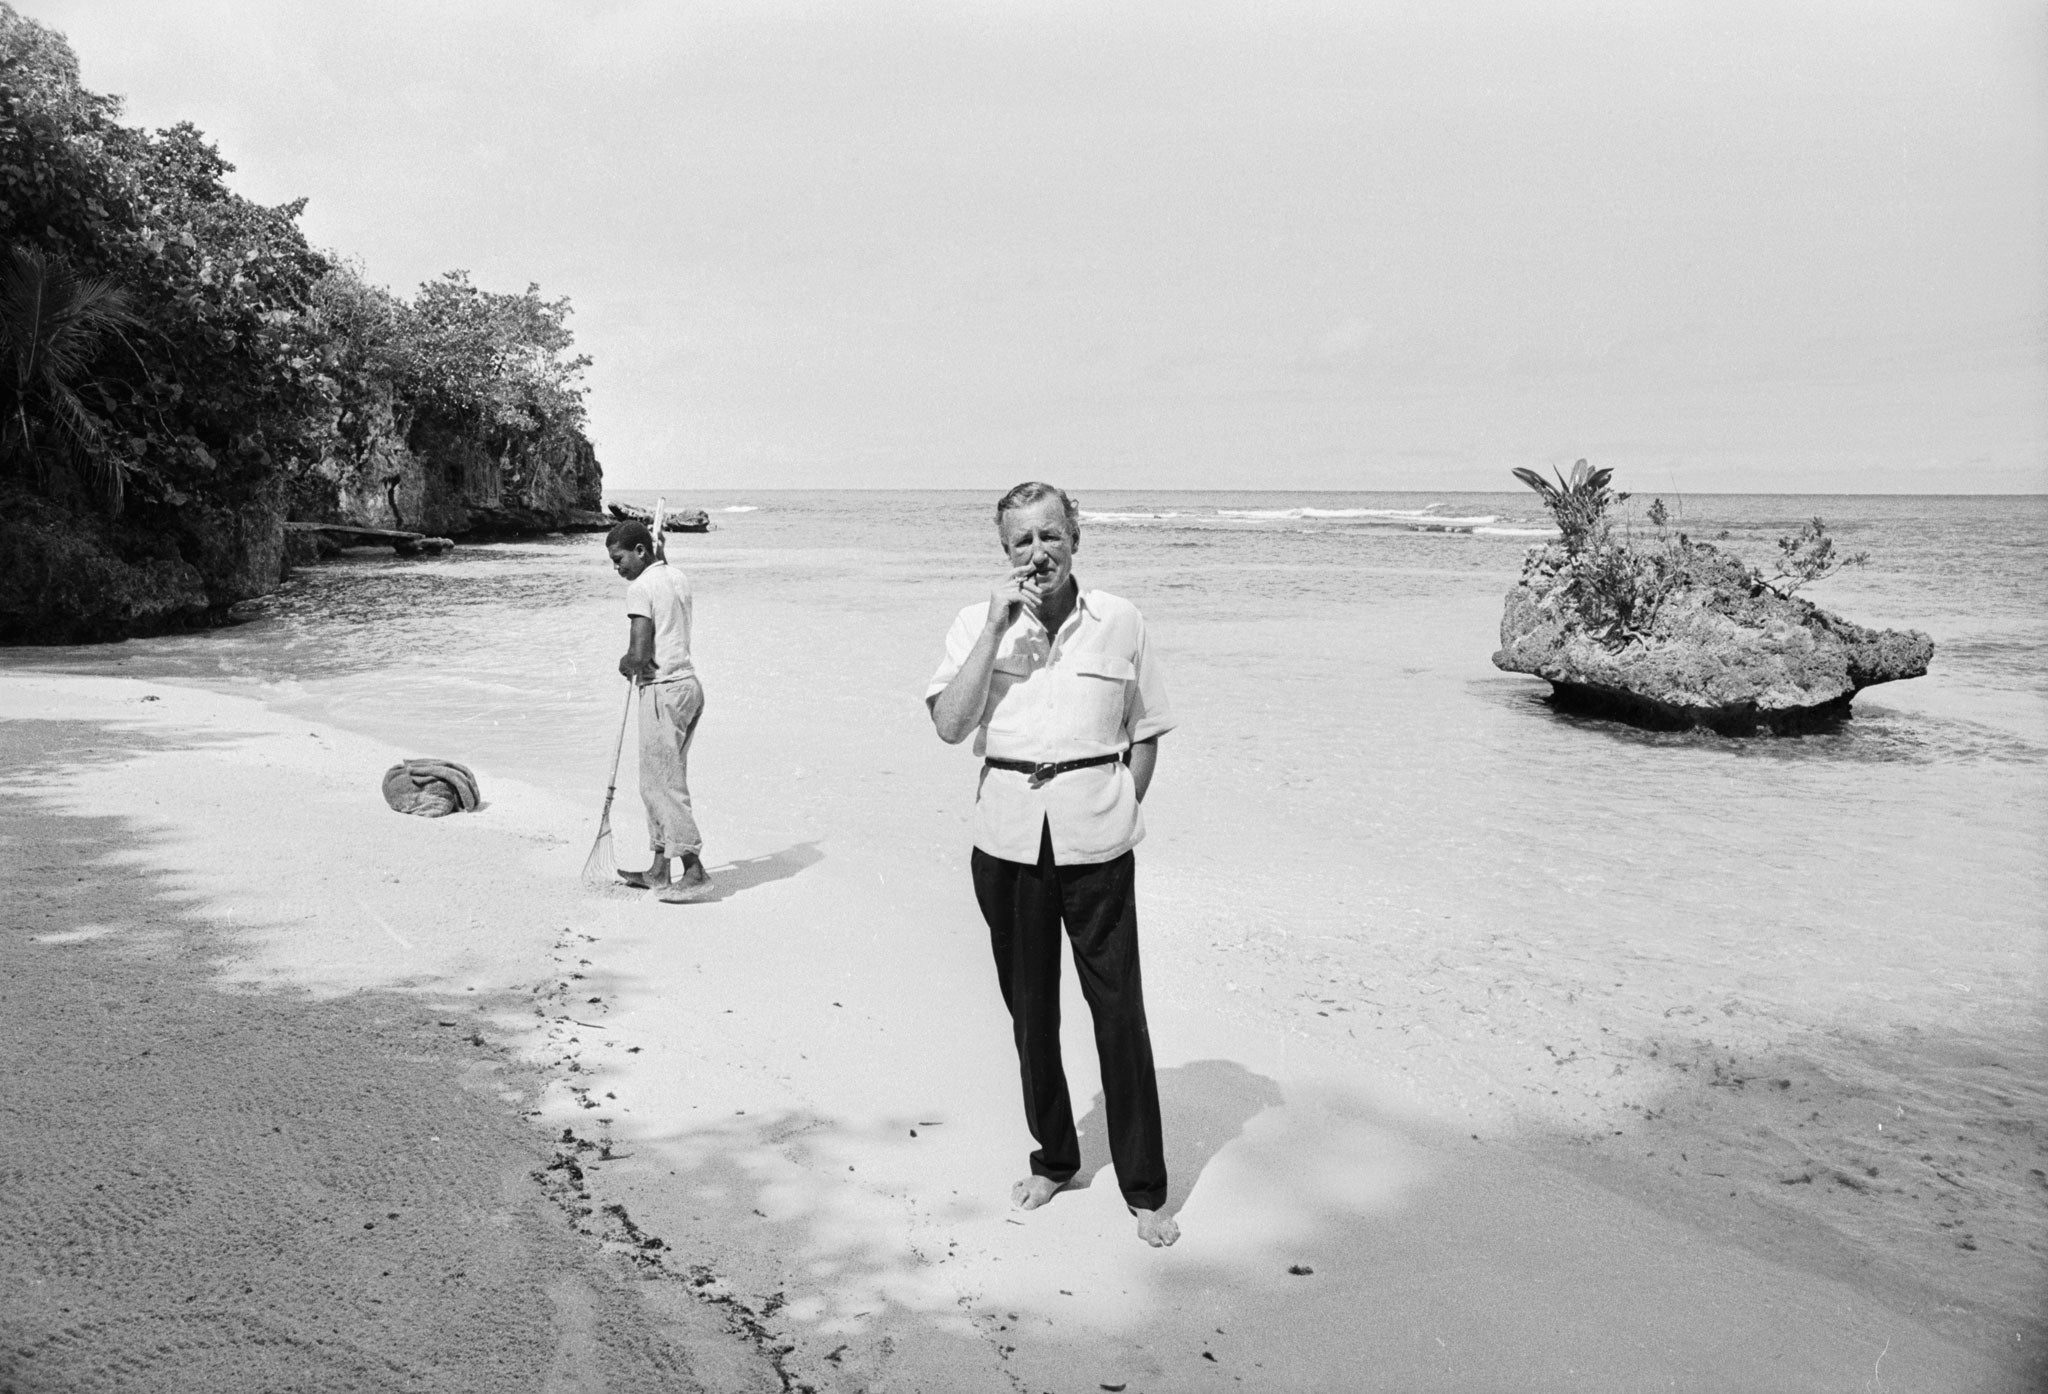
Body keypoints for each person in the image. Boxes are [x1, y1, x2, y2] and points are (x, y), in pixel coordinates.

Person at [925, 482, 1180, 1247]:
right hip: (1005, 841)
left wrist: (1122, 808)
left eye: (1049, 536)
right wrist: (995, 630)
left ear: (1076, 536)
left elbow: (1147, 729)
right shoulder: (977, 623)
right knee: (1031, 1013)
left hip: (1096, 840)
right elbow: (947, 724)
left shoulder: (1121, 621)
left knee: (1118, 1014)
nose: (1037, 553)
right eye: (1020, 542)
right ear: (1004, 552)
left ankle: (1145, 1189)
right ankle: (1056, 1157)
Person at [606, 520, 712, 903]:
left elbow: (638, 656)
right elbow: (662, 580)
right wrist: (661, 553)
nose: (617, 568)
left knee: (659, 784)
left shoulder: (640, 588)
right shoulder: (676, 576)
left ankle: (694, 870)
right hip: (689, 689)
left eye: (619, 559)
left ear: (639, 550)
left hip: (662, 692)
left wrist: (625, 663)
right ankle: (659, 870)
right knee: (667, 776)